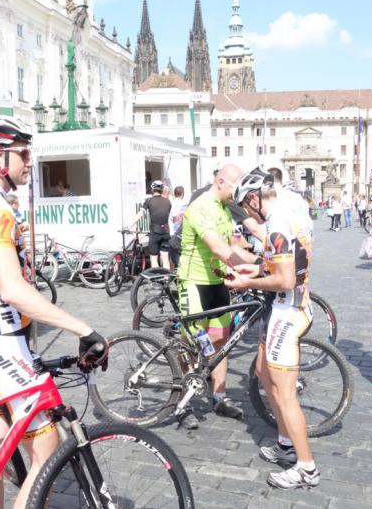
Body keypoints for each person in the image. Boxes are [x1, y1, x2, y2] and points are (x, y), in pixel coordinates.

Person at [0, 116, 109, 508]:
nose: (28, 160)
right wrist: (82, 328)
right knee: (46, 455)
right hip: (3, 346)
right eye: (22, 153)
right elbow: (13, 289)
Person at [225, 169, 321, 490]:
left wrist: (247, 281)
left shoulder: (278, 223)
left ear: (254, 199)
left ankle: (306, 467)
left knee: (284, 393)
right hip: (283, 307)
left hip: (287, 310)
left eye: (245, 206)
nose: (247, 213)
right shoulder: (285, 215)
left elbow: (284, 279)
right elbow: (277, 265)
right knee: (262, 372)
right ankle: (284, 441)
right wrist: (249, 269)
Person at [177, 164, 254, 429]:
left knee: (221, 341)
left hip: (218, 282)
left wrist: (263, 262)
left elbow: (233, 247)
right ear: (221, 181)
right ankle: (182, 401)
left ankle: (219, 398)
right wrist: (250, 268)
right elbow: (219, 248)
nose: (237, 192)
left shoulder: (224, 209)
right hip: (194, 282)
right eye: (235, 186)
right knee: (191, 343)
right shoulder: (200, 207)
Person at [129, 180, 172, 268]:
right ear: (161, 189)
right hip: (166, 232)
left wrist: (130, 225)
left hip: (155, 233)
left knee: (153, 258)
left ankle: (156, 279)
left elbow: (140, 214)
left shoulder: (148, 201)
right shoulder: (168, 202)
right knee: (165, 257)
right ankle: (166, 278)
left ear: (152, 189)